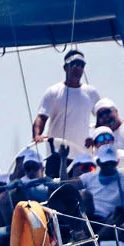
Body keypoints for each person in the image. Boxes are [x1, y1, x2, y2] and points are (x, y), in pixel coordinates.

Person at [32, 49, 101, 177]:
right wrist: (37, 135)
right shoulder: (53, 92)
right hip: (57, 155)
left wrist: (95, 136)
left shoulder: (91, 92)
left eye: (81, 65)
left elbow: (101, 116)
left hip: (82, 156)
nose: (78, 68)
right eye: (74, 64)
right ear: (65, 67)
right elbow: (41, 117)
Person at [80, 145, 124, 240]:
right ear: (99, 162)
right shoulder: (88, 177)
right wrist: (63, 159)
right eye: (106, 163)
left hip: (111, 220)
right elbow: (65, 185)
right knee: (85, 195)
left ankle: (93, 241)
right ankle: (83, 235)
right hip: (90, 219)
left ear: (117, 162)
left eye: (112, 163)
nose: (109, 167)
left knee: (119, 218)